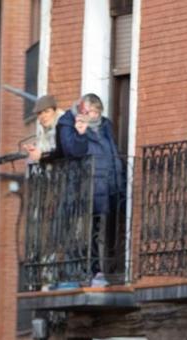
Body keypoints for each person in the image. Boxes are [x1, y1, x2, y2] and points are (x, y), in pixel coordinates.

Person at [53, 93, 125, 284]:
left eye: (97, 112)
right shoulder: (67, 123)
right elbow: (72, 151)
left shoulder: (105, 125)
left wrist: (119, 183)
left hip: (104, 185)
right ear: (82, 108)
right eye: (91, 111)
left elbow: (112, 153)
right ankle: (83, 272)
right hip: (80, 186)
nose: (94, 116)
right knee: (80, 230)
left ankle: (96, 271)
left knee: (95, 229)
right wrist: (81, 134)